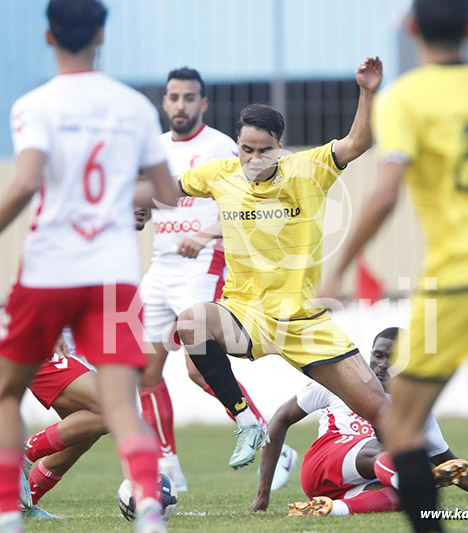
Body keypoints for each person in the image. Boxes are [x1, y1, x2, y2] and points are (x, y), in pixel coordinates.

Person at [319, 1, 468, 530]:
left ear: (412, 28)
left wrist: (339, 267)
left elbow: (384, 194)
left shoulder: (408, 97)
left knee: (402, 426)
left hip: (460, 280)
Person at [0, 1, 178, 531]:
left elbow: (26, 184)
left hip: (49, 270)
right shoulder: (134, 107)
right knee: (120, 404)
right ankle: (150, 510)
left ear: (47, 36)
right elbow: (167, 193)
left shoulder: (34, 105)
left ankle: (8, 514)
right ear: (102, 35)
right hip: (111, 274)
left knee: (9, 393)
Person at [173, 57, 389, 470]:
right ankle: (245, 419)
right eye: (246, 150)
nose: (254, 159)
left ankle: (431, 470)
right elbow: (166, 187)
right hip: (246, 314)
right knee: (192, 322)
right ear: (237, 146)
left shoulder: (308, 168)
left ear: (280, 145)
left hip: (304, 320)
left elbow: (357, 143)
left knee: (378, 407)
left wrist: (367, 91)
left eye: (264, 150)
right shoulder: (219, 174)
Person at [136, 67, 270, 490]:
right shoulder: (154, 149)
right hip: (160, 267)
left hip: (204, 265)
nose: (181, 105)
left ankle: (268, 440)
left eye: (189, 97)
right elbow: (146, 202)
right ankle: (168, 466)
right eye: (174, 97)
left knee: (198, 370)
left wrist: (205, 234)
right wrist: (137, 213)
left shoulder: (222, 147)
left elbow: (246, 206)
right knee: (144, 371)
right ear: (165, 102)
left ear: (203, 103)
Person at [253, 327, 468, 517]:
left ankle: (329, 508)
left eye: (393, 358)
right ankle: (415, 479)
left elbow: (454, 467)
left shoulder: (417, 409)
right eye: (377, 355)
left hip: (351, 484)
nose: (382, 364)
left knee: (397, 497)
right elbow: (281, 418)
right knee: (388, 452)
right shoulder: (341, 381)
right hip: (321, 465)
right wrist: (263, 494)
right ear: (368, 355)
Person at [20, 334, 107, 519]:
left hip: (70, 352)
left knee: (85, 431)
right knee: (113, 409)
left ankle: (21, 504)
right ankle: (23, 453)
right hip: (44, 342)